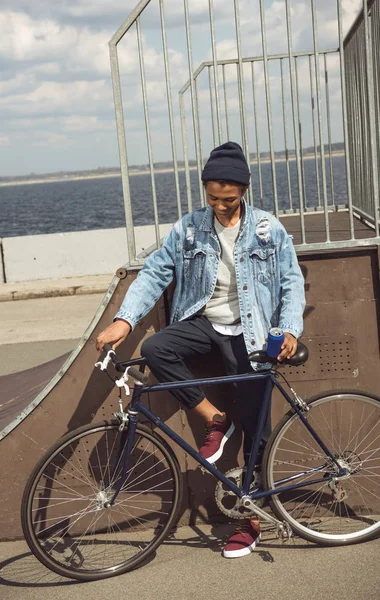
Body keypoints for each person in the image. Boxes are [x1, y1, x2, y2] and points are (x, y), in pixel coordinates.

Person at [96, 141, 306, 558]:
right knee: (157, 348)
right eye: (212, 198)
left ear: (244, 190)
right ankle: (216, 418)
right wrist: (125, 319)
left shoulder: (268, 229)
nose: (221, 206)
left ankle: (251, 519)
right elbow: (156, 272)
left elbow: (290, 281)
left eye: (228, 199)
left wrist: (289, 330)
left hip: (252, 334)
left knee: (258, 431)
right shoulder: (189, 228)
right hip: (205, 324)